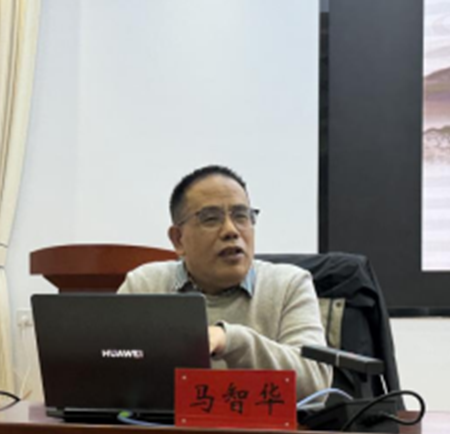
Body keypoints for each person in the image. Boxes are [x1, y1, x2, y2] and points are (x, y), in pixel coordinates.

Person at [118, 165, 332, 400]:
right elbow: (110, 372)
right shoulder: (145, 286)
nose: (231, 231)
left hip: (259, 425)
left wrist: (231, 340)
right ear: (178, 239)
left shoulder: (289, 285)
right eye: (211, 219)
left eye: (241, 216)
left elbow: (317, 386)